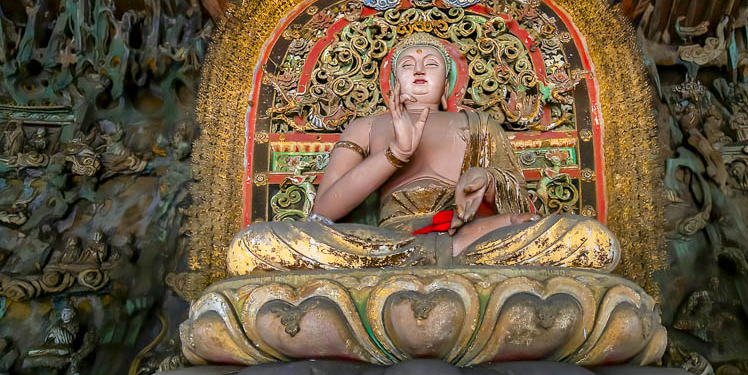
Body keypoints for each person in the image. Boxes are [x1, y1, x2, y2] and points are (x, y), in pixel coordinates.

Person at [227, 33, 619, 273]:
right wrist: (394, 154)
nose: (419, 69)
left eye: (431, 64)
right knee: (256, 246)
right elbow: (323, 213)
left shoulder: (479, 125)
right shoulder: (368, 126)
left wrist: (484, 181)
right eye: (408, 65)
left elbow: (522, 205)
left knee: (589, 240)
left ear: (448, 82)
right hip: (384, 247)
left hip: (468, 234)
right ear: (392, 80)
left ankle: (455, 250)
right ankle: (450, 258)